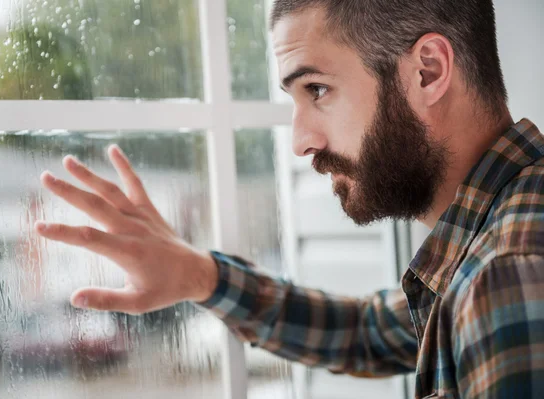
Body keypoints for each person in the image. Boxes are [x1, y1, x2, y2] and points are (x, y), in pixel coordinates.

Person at [34, 0, 544, 397]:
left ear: (427, 71)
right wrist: (199, 275)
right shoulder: (490, 234)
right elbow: (369, 331)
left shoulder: (507, 275)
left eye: (317, 89)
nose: (301, 141)